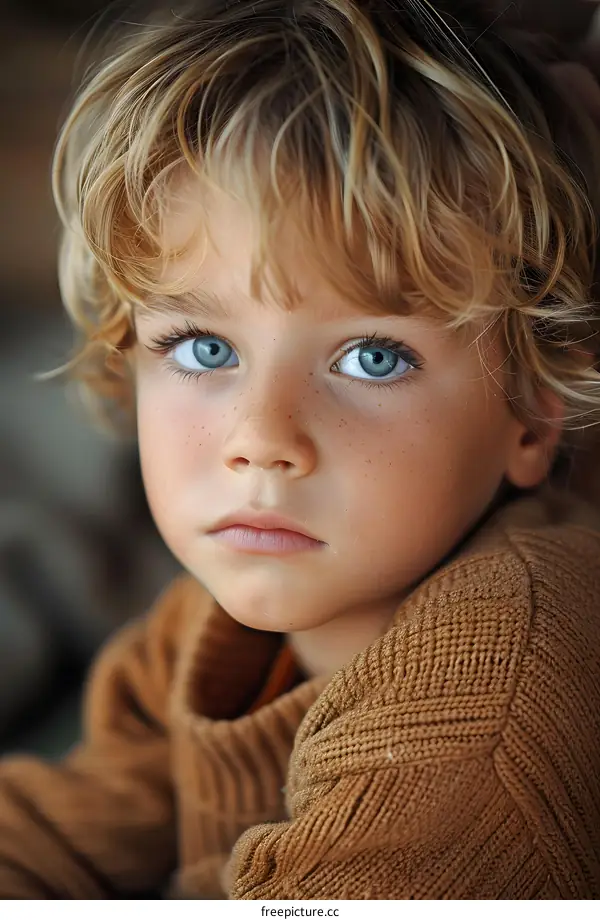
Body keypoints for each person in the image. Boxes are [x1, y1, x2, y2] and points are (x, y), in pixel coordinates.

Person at [1, 0, 600, 899]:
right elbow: (65, 829)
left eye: (372, 357)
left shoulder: (493, 697)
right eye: (206, 348)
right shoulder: (198, 634)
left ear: (532, 414)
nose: (261, 440)